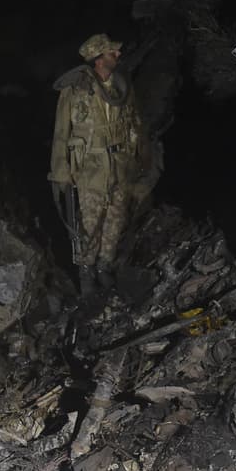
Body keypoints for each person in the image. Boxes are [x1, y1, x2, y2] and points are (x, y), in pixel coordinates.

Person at [49, 33, 146, 305]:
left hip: (120, 165)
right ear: (98, 58)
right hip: (90, 168)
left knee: (115, 221)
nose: (117, 56)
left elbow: (135, 124)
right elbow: (61, 132)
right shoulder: (76, 88)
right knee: (89, 225)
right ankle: (86, 275)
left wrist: (141, 159)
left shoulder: (122, 86)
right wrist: (61, 172)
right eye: (111, 53)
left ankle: (104, 267)